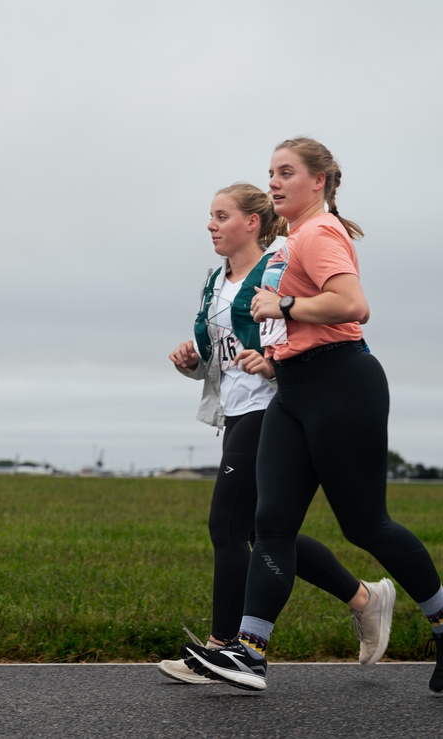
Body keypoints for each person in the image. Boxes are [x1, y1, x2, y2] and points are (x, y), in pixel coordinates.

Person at [182, 140, 443, 693]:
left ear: (318, 181)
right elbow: (294, 328)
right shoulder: (291, 240)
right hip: (294, 389)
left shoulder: (321, 232)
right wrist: (273, 357)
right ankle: (249, 653)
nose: (274, 182)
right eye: (270, 172)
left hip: (343, 384)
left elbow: (352, 304)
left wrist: (284, 306)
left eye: (287, 172)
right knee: (270, 525)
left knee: (365, 525)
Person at [159, 183, 395, 685]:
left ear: (251, 223)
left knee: (226, 526)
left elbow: (308, 334)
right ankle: (364, 597)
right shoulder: (214, 281)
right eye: (209, 216)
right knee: (262, 529)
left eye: (220, 215)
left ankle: (223, 648)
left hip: (277, 407)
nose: (210, 225)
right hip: (237, 411)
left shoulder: (279, 266)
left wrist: (270, 364)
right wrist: (191, 361)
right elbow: (215, 355)